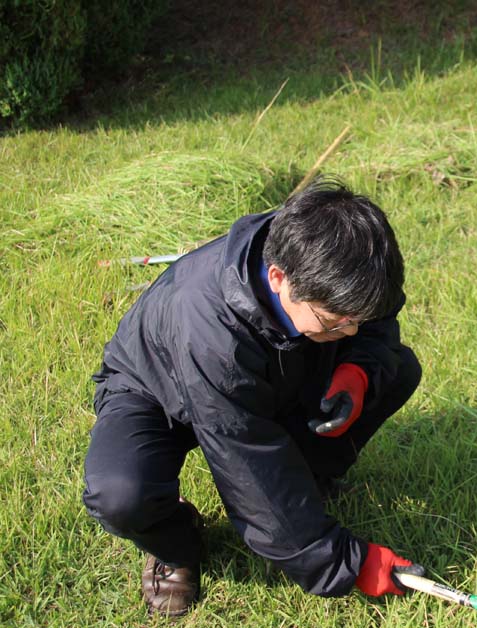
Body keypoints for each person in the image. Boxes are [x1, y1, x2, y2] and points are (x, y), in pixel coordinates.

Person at [82, 179, 425, 617]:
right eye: (337, 322)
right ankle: (177, 544)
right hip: (157, 390)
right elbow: (249, 466)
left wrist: (356, 371)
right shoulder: (209, 329)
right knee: (121, 494)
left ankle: (311, 477)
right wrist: (345, 562)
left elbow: (376, 328)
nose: (351, 331)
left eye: (358, 319)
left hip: (271, 370)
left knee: (397, 369)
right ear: (280, 278)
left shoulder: (338, 262)